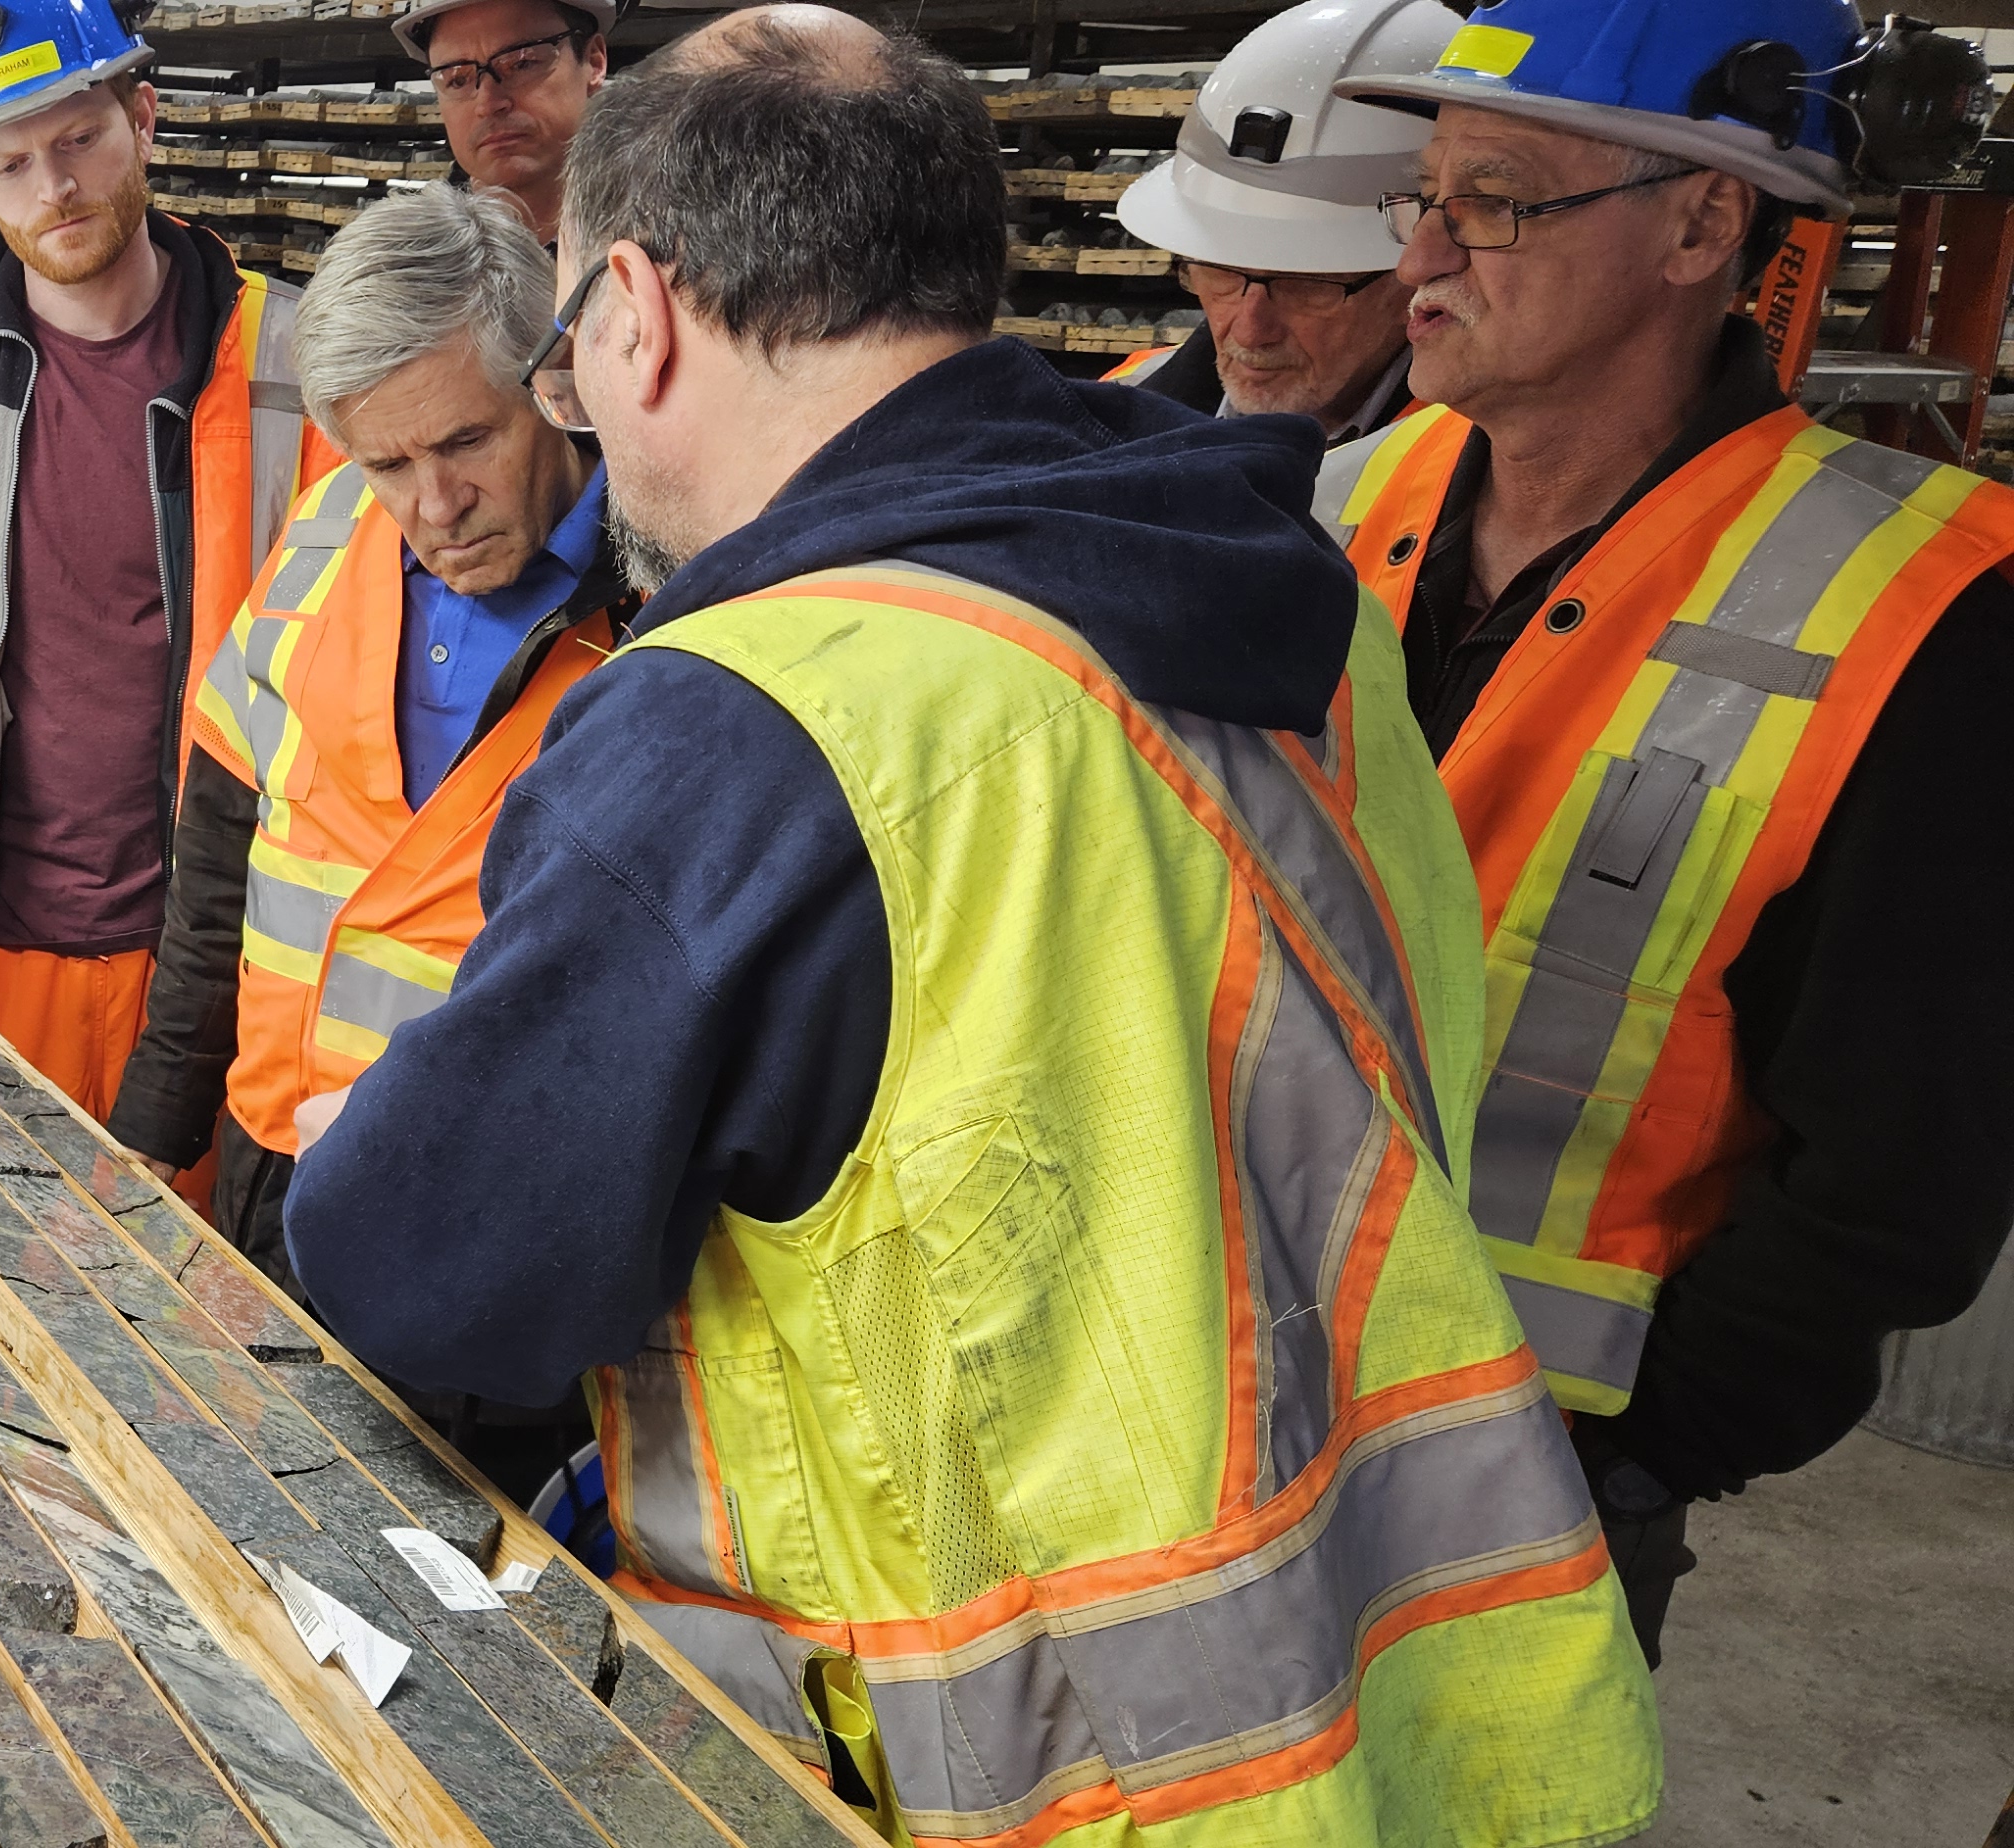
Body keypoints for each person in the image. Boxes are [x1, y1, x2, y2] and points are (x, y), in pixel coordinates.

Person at [287, 12, 1660, 1840]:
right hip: (1405, 1712)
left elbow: (425, 1271)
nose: (573, 414)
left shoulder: (751, 725)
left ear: (639, 308)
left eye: (562, 352)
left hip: (1025, 1775)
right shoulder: (1289, 610)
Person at [1324, 0, 2014, 1662]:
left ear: (1701, 227)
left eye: (1490, 197)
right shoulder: (1343, 498)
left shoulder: (1927, 608)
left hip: (1540, 1475)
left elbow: (1905, 1173)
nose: (1420, 252)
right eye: (1418, 196)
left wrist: (1645, 1451)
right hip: (1216, 1392)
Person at [107, 182, 623, 1359]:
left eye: (465, 442)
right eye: (386, 459)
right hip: (269, 1171)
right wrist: (146, 1137)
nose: (431, 505)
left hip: (481, 1242)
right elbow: (222, 867)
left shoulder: (660, 607)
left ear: (554, 382)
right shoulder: (333, 525)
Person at [0, 0, 333, 1118]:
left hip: (206, 966)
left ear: (142, 116)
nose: (55, 189)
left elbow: (342, 666)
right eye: (12, 162)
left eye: (78, 138)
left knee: (188, 1284)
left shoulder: (291, 364)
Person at [1100, 0, 1446, 441]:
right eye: (1219, 272)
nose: (1250, 331)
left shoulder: (1483, 470)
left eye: (1307, 286)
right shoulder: (1116, 409)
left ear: (1418, 281)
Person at [393, 0, 612, 243]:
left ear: (594, 62)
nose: (488, 105)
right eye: (457, 79)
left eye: (522, 63)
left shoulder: (652, 238)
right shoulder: (406, 260)